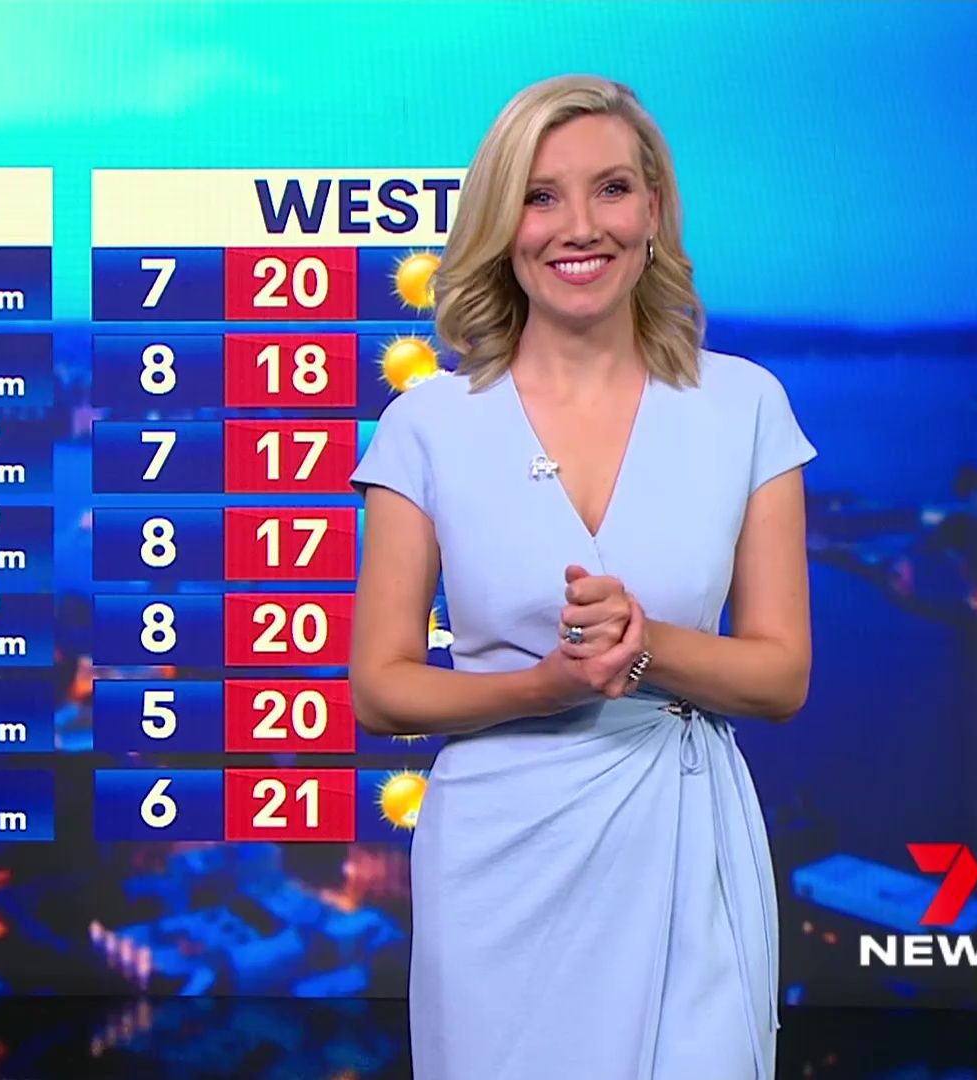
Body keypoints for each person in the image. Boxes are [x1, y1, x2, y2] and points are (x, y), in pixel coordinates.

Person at [348, 73, 815, 1080]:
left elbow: (782, 678)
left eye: (611, 188)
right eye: (540, 195)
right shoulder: (426, 423)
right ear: (500, 223)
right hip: (498, 863)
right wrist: (546, 686)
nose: (580, 226)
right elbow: (380, 690)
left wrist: (647, 648)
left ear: (653, 210)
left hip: (685, 848)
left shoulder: (745, 405)